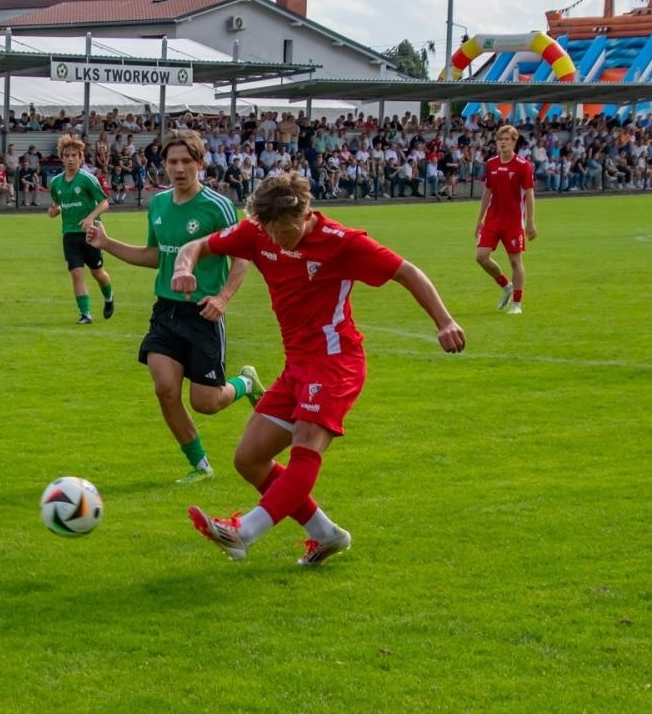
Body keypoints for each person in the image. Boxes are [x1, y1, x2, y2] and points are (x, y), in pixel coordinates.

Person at [172, 174, 465, 565]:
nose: (279, 240)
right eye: (272, 232)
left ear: (305, 212)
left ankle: (244, 532)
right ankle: (327, 535)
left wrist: (444, 322)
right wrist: (183, 265)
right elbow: (198, 245)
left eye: (287, 230)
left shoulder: (342, 243)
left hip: (335, 363)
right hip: (297, 366)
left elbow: (406, 271)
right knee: (248, 459)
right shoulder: (257, 233)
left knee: (305, 445)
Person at [84, 129, 263, 485]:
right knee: (165, 389)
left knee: (206, 402)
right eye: (172, 162)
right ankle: (200, 465)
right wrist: (107, 242)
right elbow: (155, 256)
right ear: (163, 165)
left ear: (199, 163)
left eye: (186, 161)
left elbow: (242, 256)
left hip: (203, 314)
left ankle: (246, 382)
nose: (179, 168)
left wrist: (222, 298)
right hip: (165, 311)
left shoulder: (217, 206)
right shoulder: (159, 204)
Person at [47, 134, 114, 324]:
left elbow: (104, 202)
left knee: (97, 273)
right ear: (61, 157)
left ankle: (109, 297)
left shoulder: (87, 179)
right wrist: (54, 211)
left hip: (91, 234)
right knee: (76, 273)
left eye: (74, 155)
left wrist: (90, 218)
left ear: (80, 157)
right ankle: (86, 314)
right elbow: (58, 204)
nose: (70, 159)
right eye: (66, 155)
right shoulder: (56, 183)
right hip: (69, 234)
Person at [473, 124, 536, 314]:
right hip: (493, 219)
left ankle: (517, 303)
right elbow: (487, 193)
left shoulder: (523, 166)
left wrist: (531, 221)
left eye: (506, 139)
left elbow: (530, 195)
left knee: (515, 262)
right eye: (500, 140)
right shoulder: (491, 164)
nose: (502, 143)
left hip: (513, 221)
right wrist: (480, 219)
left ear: (514, 142)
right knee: (481, 256)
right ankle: (506, 285)